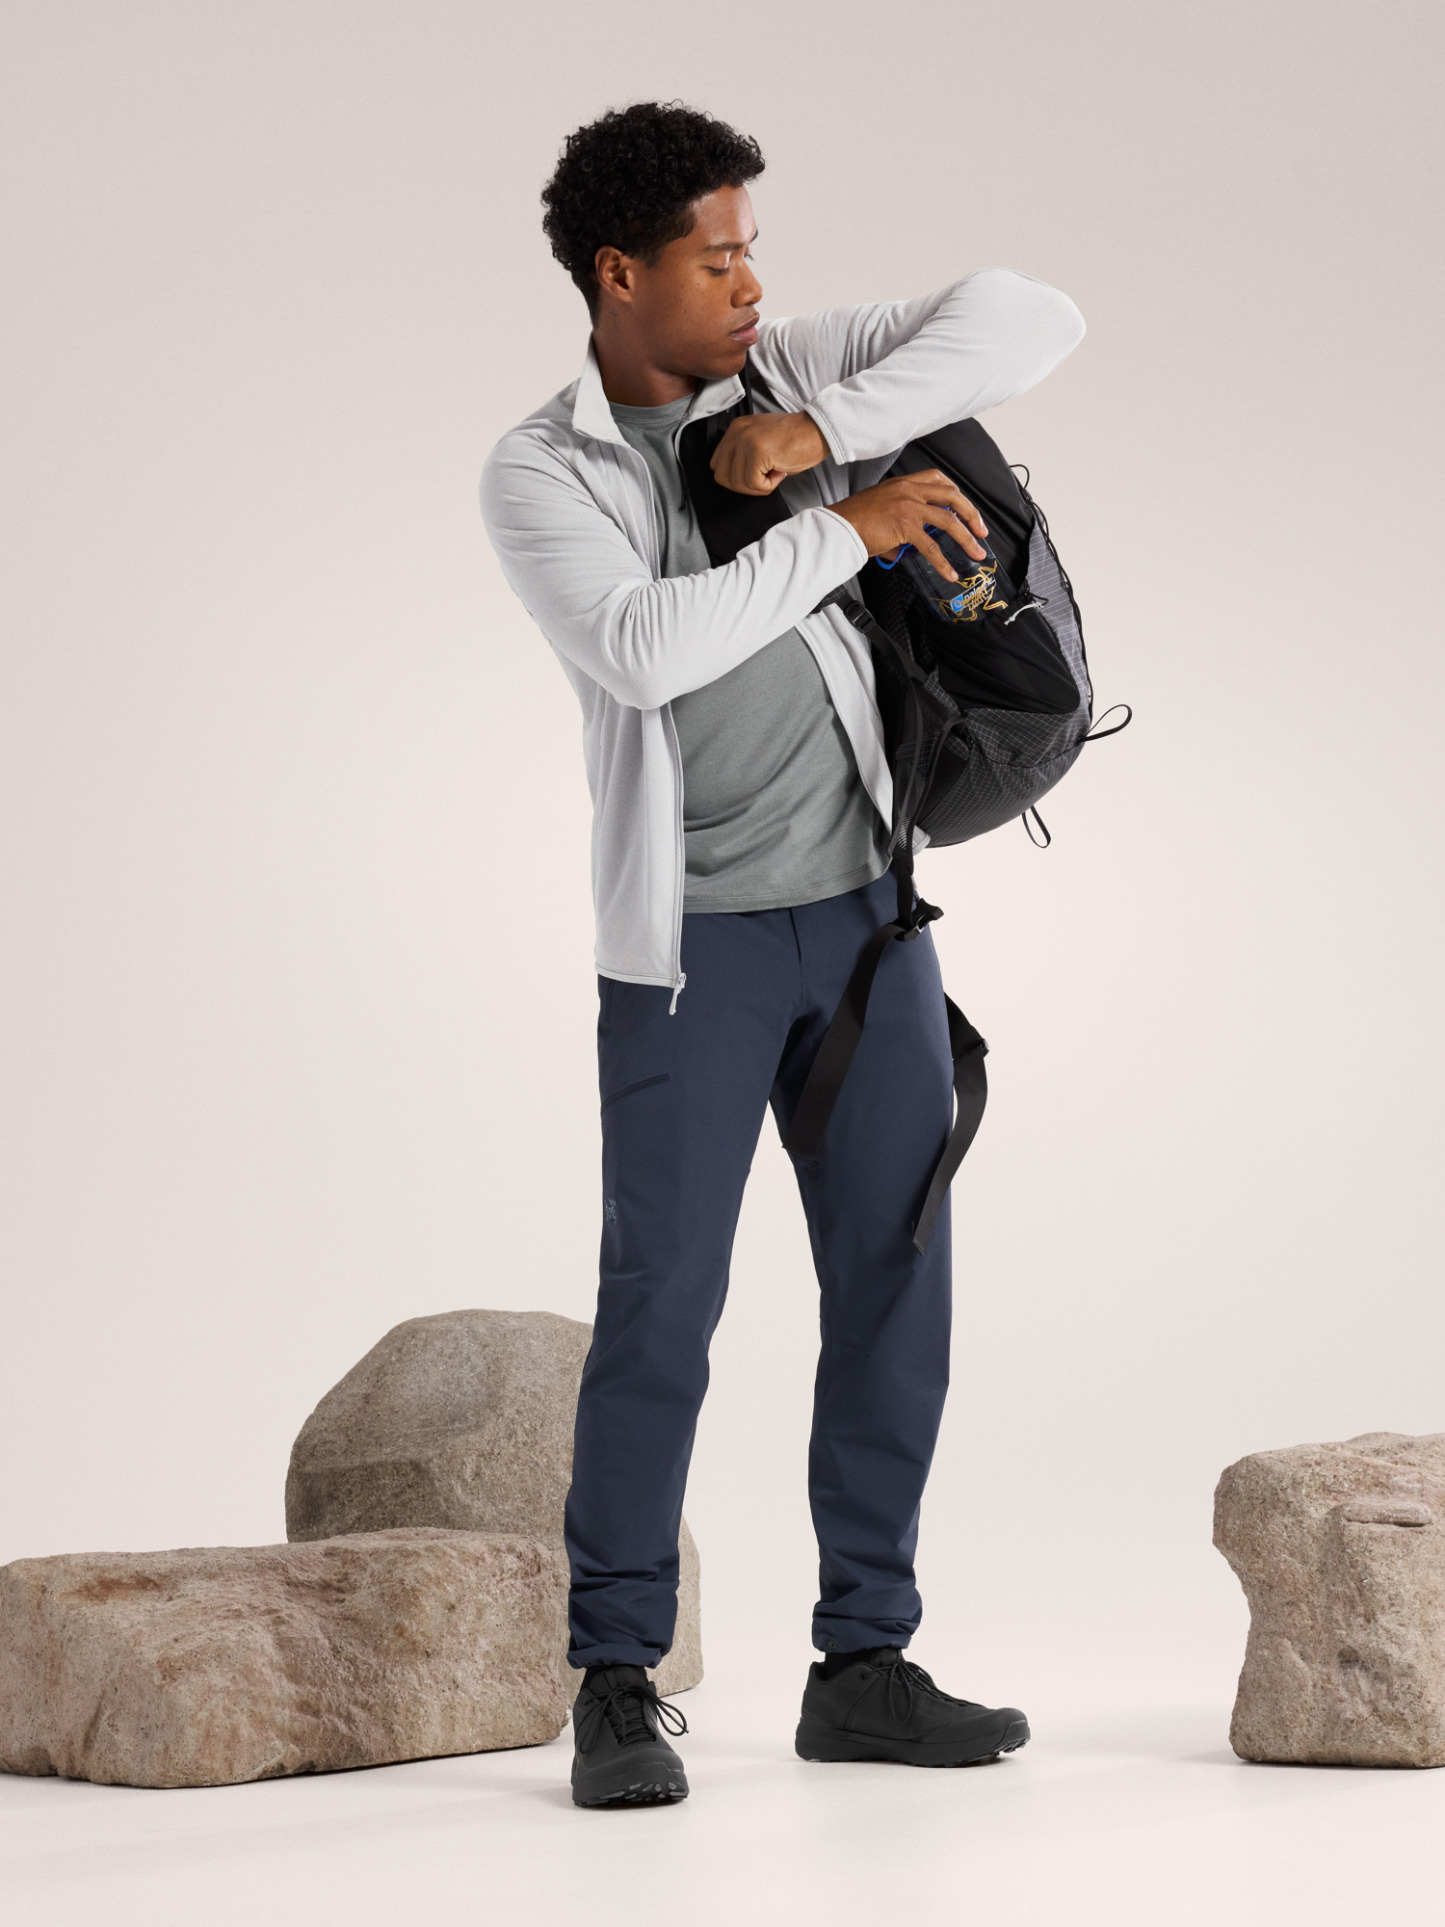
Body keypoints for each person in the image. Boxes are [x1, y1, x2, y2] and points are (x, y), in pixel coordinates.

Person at [481, 101, 1084, 1808]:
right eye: (716, 257)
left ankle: (865, 1664)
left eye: (755, 251)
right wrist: (847, 524)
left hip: (871, 927)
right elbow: (640, 648)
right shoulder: (541, 470)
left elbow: (1034, 312)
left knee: (896, 1286)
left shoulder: (790, 374)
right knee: (661, 1307)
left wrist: (819, 431)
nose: (751, 284)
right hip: (690, 954)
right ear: (620, 275)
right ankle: (614, 1679)